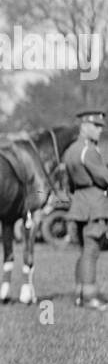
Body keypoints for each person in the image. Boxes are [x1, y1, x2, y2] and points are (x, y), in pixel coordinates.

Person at [64, 109, 108, 309]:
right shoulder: (88, 151)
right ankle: (91, 297)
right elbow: (104, 179)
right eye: (96, 126)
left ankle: (80, 294)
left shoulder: (71, 150)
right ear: (85, 126)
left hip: (79, 206)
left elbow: (69, 184)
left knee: (84, 252)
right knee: (92, 251)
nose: (100, 130)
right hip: (95, 206)